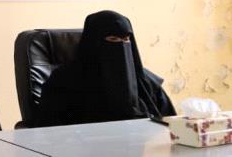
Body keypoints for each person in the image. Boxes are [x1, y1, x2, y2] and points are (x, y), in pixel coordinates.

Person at [38, 10, 176, 127]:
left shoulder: (146, 82)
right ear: (93, 43)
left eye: (126, 39)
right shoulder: (63, 82)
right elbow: (48, 130)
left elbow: (171, 125)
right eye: (113, 39)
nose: (122, 46)